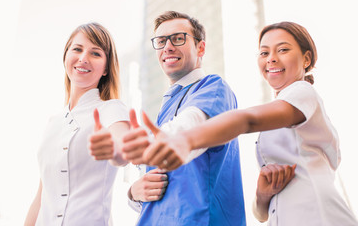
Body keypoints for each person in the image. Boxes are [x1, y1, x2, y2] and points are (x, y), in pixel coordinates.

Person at [138, 21, 358, 225]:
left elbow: (247, 120)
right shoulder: (279, 115)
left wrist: (186, 139)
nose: (271, 58)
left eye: (282, 50)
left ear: (306, 59)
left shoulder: (303, 93)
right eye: (264, 52)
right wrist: (263, 194)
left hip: (320, 215)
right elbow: (260, 214)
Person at [121, 11, 246, 225]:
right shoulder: (166, 109)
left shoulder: (213, 88)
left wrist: (147, 145)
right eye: (161, 41)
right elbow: (160, 184)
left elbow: (190, 128)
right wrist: (133, 193)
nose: (167, 47)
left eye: (178, 38)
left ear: (201, 47)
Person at [24, 22, 130, 225]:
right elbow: (40, 198)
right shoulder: (52, 123)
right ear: (66, 56)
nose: (83, 58)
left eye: (95, 53)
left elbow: (124, 145)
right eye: (78, 49)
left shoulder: (110, 109)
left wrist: (120, 150)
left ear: (106, 68)